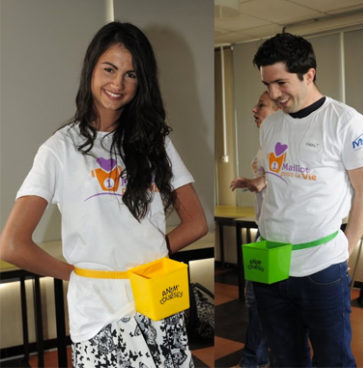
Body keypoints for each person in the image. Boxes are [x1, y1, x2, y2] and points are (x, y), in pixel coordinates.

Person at [0, 22, 208, 367]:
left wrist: (150, 259)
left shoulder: (155, 142)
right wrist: (74, 274)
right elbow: (12, 245)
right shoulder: (59, 150)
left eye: (131, 74)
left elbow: (197, 223)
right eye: (109, 69)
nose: (118, 84)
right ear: (91, 69)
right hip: (100, 318)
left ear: (142, 82)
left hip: (157, 305)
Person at [247, 32, 363, 367]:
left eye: (281, 83)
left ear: (309, 74)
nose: (274, 94)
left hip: (321, 268)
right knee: (287, 360)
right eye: (267, 84)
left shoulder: (345, 121)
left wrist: (345, 247)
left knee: (333, 360)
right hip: (271, 264)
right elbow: (278, 180)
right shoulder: (270, 126)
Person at [230, 91, 281, 368]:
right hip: (265, 235)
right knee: (256, 299)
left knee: (272, 302)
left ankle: (255, 361)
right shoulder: (266, 143)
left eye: (261, 105)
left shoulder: (288, 142)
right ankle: (255, 360)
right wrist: (256, 182)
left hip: (283, 239)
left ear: (279, 111)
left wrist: (260, 181)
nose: (254, 109)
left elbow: (280, 177)